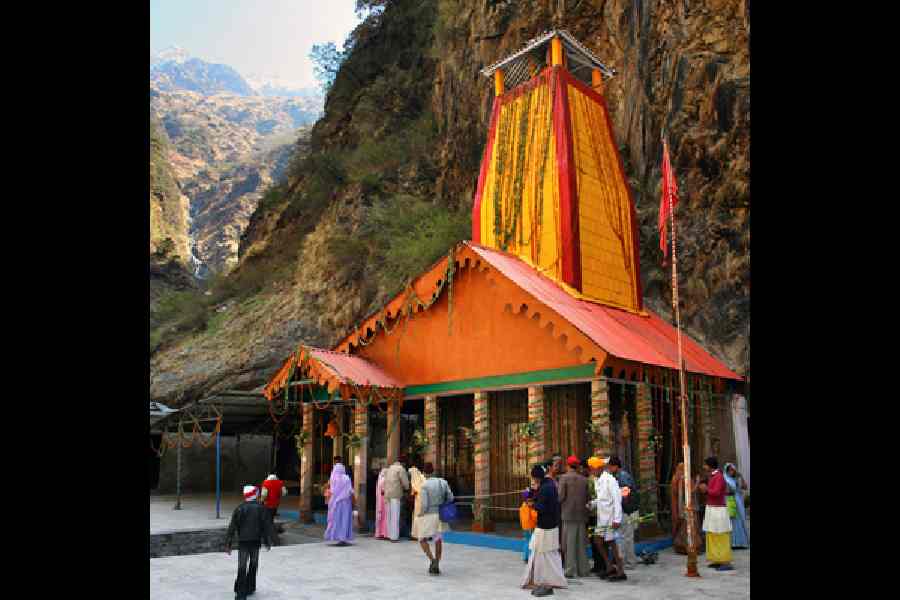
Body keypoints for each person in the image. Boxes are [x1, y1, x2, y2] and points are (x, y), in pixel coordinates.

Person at [521, 465, 567, 596]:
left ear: (535, 477)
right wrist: (532, 494)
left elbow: (541, 507)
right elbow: (544, 501)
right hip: (552, 525)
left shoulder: (545, 488)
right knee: (551, 554)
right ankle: (555, 579)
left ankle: (542, 580)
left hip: (545, 526)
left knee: (541, 553)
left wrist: (531, 504)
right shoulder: (549, 484)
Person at [225, 485, 274, 600]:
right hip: (255, 541)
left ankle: (240, 593)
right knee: (253, 564)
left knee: (242, 566)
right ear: (254, 495)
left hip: (243, 542)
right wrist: (267, 541)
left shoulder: (239, 508)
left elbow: (232, 527)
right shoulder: (261, 508)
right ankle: (250, 587)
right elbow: (266, 526)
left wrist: (228, 543)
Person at [589, 456, 626, 581]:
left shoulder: (610, 480)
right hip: (602, 517)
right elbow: (602, 499)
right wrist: (592, 503)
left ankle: (621, 572)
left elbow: (617, 499)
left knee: (613, 544)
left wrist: (617, 519)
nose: (591, 472)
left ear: (599, 468)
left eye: (593, 469)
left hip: (611, 517)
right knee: (598, 541)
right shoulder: (597, 480)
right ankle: (609, 567)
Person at [414, 462, 454, 574]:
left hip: (429, 516)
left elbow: (425, 505)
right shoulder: (443, 482)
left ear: (424, 473)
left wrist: (420, 514)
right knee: (437, 539)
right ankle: (437, 562)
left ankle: (432, 560)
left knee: (422, 539)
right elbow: (451, 497)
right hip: (440, 515)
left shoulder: (424, 486)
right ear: (433, 471)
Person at [558, 455, 590, 578]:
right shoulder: (584, 479)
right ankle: (584, 569)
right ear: (577, 466)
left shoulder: (564, 478)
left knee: (569, 544)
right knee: (581, 543)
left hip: (568, 514)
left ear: (567, 465)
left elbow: (560, 497)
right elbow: (588, 498)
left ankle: (570, 570)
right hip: (581, 515)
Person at [699, 457, 734, 571]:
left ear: (709, 466)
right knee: (712, 533)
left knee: (721, 534)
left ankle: (725, 561)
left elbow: (717, 492)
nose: (704, 467)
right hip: (712, 509)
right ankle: (717, 559)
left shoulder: (718, 476)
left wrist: (706, 489)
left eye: (705, 465)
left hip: (718, 510)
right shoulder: (712, 476)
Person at [606, 456, 639, 570]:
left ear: (615, 466)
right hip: (626, 510)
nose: (609, 469)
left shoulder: (623, 476)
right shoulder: (619, 476)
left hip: (627, 511)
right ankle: (625, 560)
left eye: (610, 466)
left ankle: (629, 562)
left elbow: (626, 493)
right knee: (624, 537)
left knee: (627, 537)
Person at [670, 462, 704, 555]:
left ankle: (684, 547)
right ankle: (690, 547)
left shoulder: (677, 478)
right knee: (691, 526)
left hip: (683, 505)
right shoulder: (684, 479)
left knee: (686, 526)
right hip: (689, 505)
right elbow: (691, 491)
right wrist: (697, 482)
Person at [323, 463, 355, 546]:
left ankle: (334, 536)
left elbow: (331, 490)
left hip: (335, 503)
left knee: (336, 520)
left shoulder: (332, 478)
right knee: (344, 520)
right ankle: (343, 538)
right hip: (345, 503)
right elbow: (350, 491)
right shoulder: (346, 478)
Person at [723, 462, 750, 549]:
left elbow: (745, 487)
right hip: (730, 502)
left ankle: (741, 542)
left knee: (740, 521)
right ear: (727, 471)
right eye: (730, 470)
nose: (732, 472)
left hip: (738, 502)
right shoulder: (725, 479)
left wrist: (741, 477)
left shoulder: (735, 479)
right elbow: (726, 491)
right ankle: (733, 542)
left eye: (733, 470)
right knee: (732, 521)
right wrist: (731, 490)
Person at [384, 455, 410, 542]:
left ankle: (388, 534)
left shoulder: (389, 469)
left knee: (389, 515)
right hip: (395, 494)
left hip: (387, 494)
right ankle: (394, 537)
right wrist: (407, 488)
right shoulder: (400, 469)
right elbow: (405, 482)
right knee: (395, 515)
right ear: (402, 463)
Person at [259, 474, 288, 545]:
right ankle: (268, 536)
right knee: (270, 519)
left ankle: (275, 540)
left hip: (267, 504)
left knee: (268, 522)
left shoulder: (266, 483)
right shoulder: (280, 483)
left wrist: (261, 501)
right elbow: (284, 493)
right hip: (276, 505)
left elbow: (264, 495)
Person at [520, 482, 539, 563]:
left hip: (524, 527)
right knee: (531, 542)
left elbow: (521, 518)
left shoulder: (522, 506)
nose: (532, 502)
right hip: (530, 526)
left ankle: (525, 557)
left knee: (526, 541)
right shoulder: (530, 507)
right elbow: (534, 516)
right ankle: (530, 557)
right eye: (530, 500)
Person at [408, 464, 426, 540]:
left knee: (417, 517)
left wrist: (413, 494)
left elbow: (414, 491)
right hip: (422, 500)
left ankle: (417, 534)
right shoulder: (422, 477)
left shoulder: (415, 479)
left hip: (419, 500)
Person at [374, 466, 389, 540]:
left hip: (380, 500)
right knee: (385, 516)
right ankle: (384, 533)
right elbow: (384, 489)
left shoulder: (380, 477)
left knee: (381, 516)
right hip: (384, 500)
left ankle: (379, 533)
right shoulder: (384, 479)